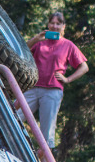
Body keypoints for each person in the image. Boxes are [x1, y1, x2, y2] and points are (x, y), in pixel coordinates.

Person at [24, 11, 88, 150]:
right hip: (33, 87)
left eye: (58, 23)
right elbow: (22, 50)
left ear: (63, 26)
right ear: (48, 24)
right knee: (12, 116)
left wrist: (68, 79)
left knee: (46, 134)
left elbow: (84, 67)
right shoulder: (40, 41)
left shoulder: (68, 45)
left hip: (52, 91)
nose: (54, 26)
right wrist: (36, 38)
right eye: (52, 23)